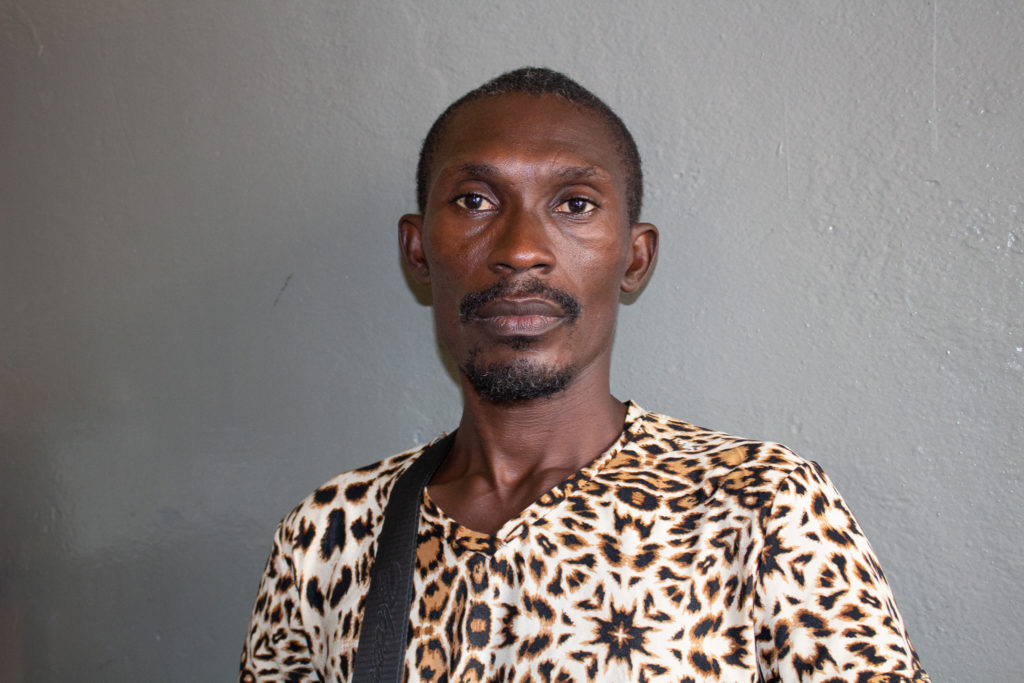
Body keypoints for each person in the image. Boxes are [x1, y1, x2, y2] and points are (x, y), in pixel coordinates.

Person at [240, 67, 929, 682]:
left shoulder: (761, 507)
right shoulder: (330, 532)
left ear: (634, 258)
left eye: (574, 203)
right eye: (476, 200)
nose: (520, 250)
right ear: (418, 251)